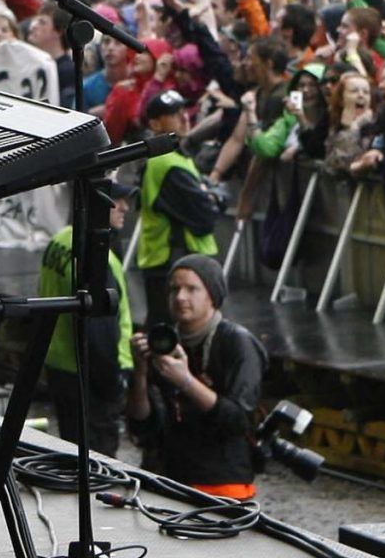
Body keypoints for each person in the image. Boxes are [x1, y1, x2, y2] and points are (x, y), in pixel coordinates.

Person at [126, 253, 266, 499]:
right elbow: (141, 426)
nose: (181, 297)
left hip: (222, 484)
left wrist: (186, 381)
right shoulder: (164, 342)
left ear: (212, 295)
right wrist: (140, 371)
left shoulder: (236, 342)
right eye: (174, 289)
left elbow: (238, 420)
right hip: (169, 479)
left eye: (192, 289)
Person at [39, 189, 133, 457]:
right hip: (91, 376)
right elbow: (100, 334)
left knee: (72, 450)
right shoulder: (97, 260)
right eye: (117, 201)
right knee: (98, 462)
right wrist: (113, 386)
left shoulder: (59, 240)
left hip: (59, 367)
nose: (125, 207)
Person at [133, 88, 223, 319]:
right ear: (155, 124)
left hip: (170, 262)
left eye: (184, 111)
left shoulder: (174, 157)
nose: (185, 118)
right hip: (173, 262)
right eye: (174, 114)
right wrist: (211, 197)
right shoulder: (167, 165)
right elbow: (205, 217)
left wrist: (210, 196)